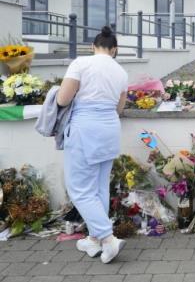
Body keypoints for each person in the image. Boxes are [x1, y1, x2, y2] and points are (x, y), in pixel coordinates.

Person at [57, 26, 128, 264]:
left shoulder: (80, 63)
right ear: (114, 49)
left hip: (85, 128)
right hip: (109, 128)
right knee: (99, 188)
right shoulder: (121, 72)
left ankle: (108, 238)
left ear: (93, 47)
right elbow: (119, 108)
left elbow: (62, 98)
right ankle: (95, 239)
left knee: (79, 188)